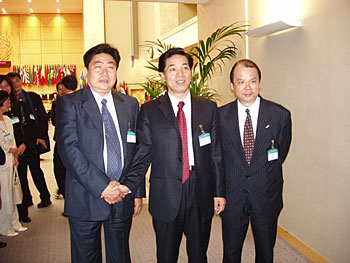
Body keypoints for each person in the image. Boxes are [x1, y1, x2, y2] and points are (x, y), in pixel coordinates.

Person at [119, 47, 226, 262]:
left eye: (185, 68)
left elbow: (216, 154)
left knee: (199, 254)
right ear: (163, 75)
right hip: (165, 192)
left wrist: (219, 192)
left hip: (200, 190)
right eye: (173, 69)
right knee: (166, 256)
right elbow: (143, 153)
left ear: (191, 72)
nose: (180, 74)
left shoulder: (208, 108)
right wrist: (128, 186)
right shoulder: (149, 110)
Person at [56, 43, 145, 263]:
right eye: (98, 66)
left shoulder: (130, 104)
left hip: (123, 193)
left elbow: (135, 151)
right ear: (86, 72)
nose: (105, 72)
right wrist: (103, 187)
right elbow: (69, 150)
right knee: (86, 257)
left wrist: (137, 190)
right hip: (85, 195)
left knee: (120, 255)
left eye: (110, 66)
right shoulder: (70, 103)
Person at [218, 59, 292, 262]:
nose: (247, 87)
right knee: (231, 253)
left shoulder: (280, 115)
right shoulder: (220, 116)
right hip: (232, 197)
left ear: (259, 83)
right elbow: (218, 159)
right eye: (241, 82)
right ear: (232, 86)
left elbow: (280, 153)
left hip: (266, 194)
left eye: (252, 81)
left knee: (266, 252)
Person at [7, 72, 51, 209]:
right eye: (12, 82)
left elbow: (42, 118)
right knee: (21, 174)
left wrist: (40, 136)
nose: (15, 84)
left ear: (21, 81)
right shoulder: (7, 102)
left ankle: (45, 197)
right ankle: (27, 199)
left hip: (32, 141)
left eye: (17, 80)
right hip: (16, 143)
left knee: (36, 170)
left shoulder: (32, 97)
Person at [0, 75, 36, 223]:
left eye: (7, 86)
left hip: (21, 148)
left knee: (20, 180)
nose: (5, 89)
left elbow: (30, 126)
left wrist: (24, 144)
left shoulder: (20, 105)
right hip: (5, 153)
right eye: (1, 87)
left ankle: (21, 212)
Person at [0, 91, 28, 237]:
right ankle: (4, 226)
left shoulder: (7, 119)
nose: (9, 103)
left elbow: (12, 139)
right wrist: (10, 149)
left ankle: (15, 222)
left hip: (12, 159)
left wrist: (15, 154)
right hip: (2, 162)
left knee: (12, 192)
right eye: (7, 101)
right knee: (4, 195)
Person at [52, 76, 78, 200]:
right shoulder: (83, 99)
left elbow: (54, 121)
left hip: (62, 142)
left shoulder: (59, 101)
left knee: (60, 170)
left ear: (63, 86)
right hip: (80, 142)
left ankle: (68, 198)